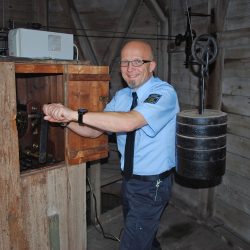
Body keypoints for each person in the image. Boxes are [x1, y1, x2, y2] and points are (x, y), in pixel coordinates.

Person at [43, 40, 179, 250]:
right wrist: (65, 121)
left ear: (151, 65)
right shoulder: (122, 96)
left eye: (137, 61)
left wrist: (74, 113)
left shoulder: (164, 93)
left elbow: (130, 121)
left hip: (153, 185)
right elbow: (93, 130)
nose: (130, 68)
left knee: (133, 243)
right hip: (130, 182)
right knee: (145, 237)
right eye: (125, 63)